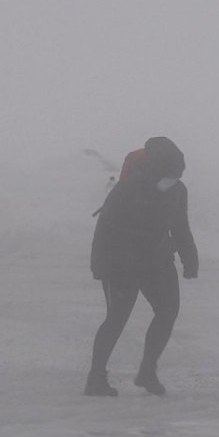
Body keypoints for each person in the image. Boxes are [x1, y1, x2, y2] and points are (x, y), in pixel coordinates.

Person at [86, 137, 198, 396]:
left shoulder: (178, 191)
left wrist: (189, 258)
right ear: (157, 169)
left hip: (157, 261)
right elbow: (104, 229)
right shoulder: (128, 188)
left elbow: (180, 226)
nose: (173, 179)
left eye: (177, 174)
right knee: (117, 318)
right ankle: (95, 378)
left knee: (168, 311)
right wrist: (100, 264)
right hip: (121, 263)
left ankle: (147, 372)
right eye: (170, 173)